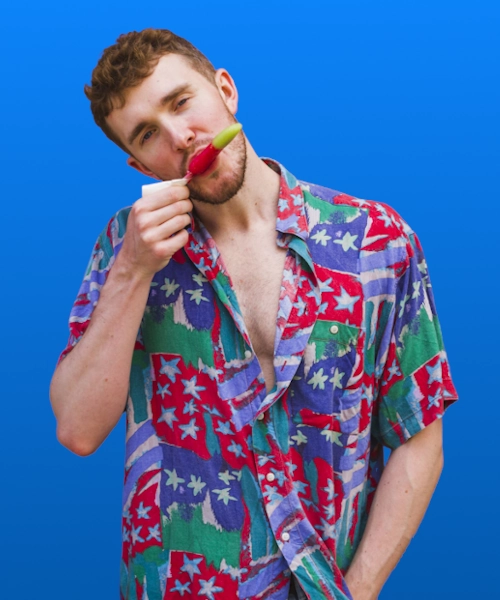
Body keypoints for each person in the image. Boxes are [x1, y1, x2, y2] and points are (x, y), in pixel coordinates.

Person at [50, 28, 459, 600]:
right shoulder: (125, 247)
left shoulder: (374, 241)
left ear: (225, 89)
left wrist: (358, 592)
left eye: (180, 102)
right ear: (136, 161)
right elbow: (76, 428)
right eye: (148, 134)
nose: (179, 138)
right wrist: (133, 270)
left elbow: (420, 437)